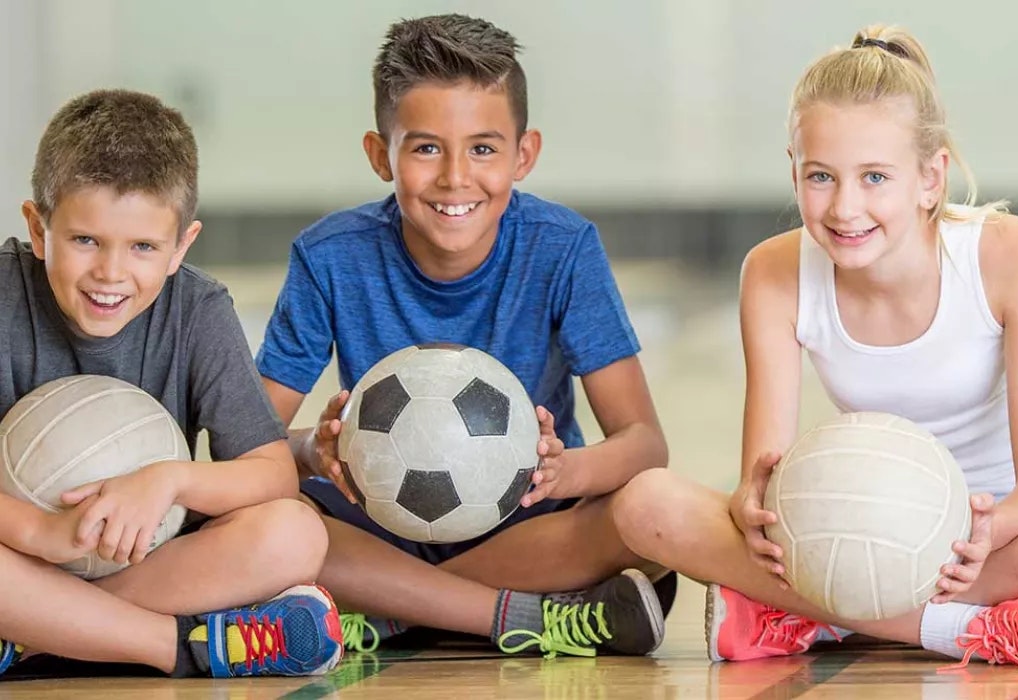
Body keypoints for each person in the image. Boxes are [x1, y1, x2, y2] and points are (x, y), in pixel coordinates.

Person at [612, 24, 1018, 671]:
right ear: (793, 170)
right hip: (853, 527)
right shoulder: (772, 272)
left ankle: (820, 620)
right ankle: (972, 631)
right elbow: (763, 472)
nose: (844, 207)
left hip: (995, 542)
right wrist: (749, 504)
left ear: (930, 177)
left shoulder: (1014, 253)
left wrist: (989, 533)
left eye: (874, 177)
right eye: (820, 176)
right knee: (645, 504)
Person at [256, 14, 673, 658]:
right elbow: (248, 450)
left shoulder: (561, 248)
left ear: (523, 154)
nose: (455, 177)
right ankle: (525, 616)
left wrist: (563, 474)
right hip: (375, 524)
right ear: (379, 154)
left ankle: (393, 611)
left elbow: (644, 444)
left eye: (483, 148)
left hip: (525, 523)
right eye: (425, 148)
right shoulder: (330, 257)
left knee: (648, 510)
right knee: (267, 522)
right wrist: (316, 449)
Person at [0, 89, 341, 678]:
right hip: (18, 557)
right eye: (85, 240)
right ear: (38, 227)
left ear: (181, 245)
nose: (110, 272)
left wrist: (170, 481)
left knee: (295, 533)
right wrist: (38, 530)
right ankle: (184, 646)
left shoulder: (198, 310)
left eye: (142, 247)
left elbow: (272, 475)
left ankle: (33, 632)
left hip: (145, 565)